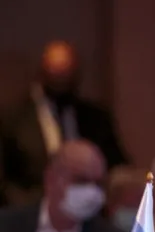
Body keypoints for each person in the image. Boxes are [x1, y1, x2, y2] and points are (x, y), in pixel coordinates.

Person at [0, 40, 127, 206]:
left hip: (91, 208)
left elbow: (118, 167)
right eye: (56, 77)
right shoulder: (12, 120)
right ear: (41, 75)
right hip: (31, 209)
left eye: (67, 78)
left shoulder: (96, 118)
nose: (61, 85)